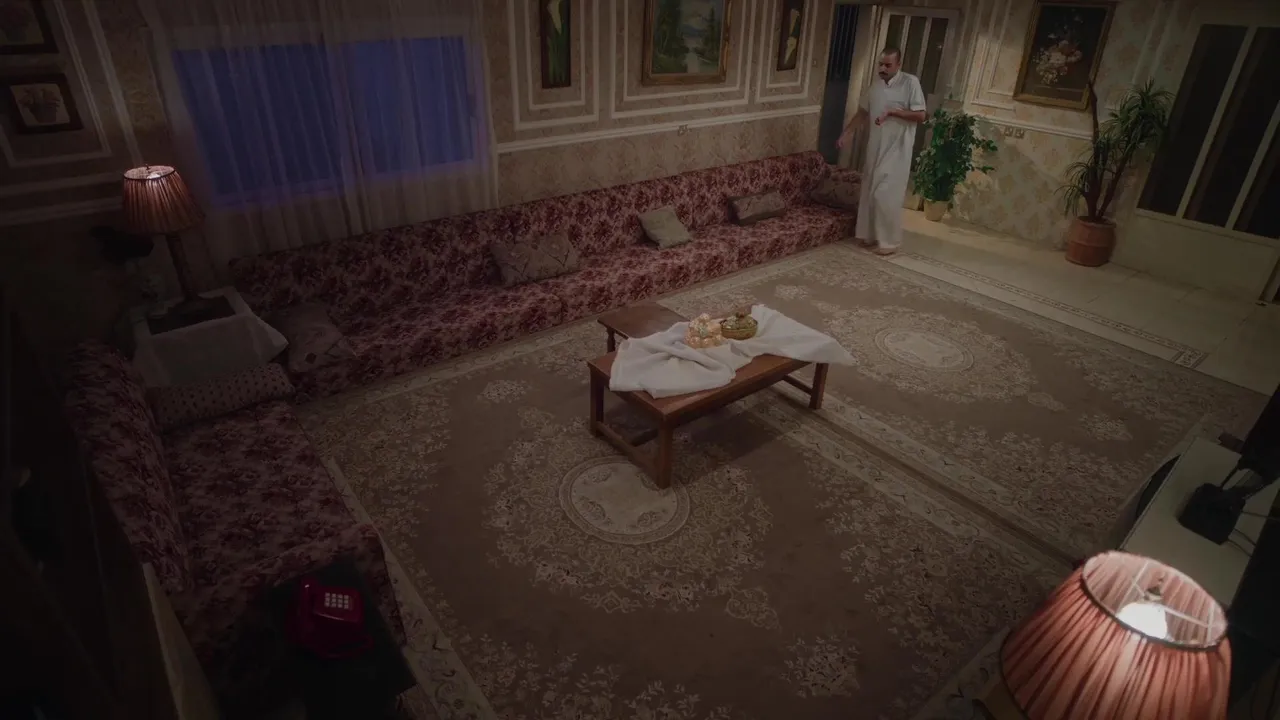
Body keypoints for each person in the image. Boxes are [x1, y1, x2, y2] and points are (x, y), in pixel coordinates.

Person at [837, 47, 927, 256]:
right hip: (875, 148)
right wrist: (847, 133)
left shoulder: (910, 83)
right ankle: (869, 236)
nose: (883, 68)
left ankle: (890, 242)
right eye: (880, 64)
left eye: (888, 65)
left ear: (898, 65)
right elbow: (862, 112)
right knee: (869, 192)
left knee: (884, 195)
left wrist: (894, 112)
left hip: (898, 151)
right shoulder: (875, 86)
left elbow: (921, 115)